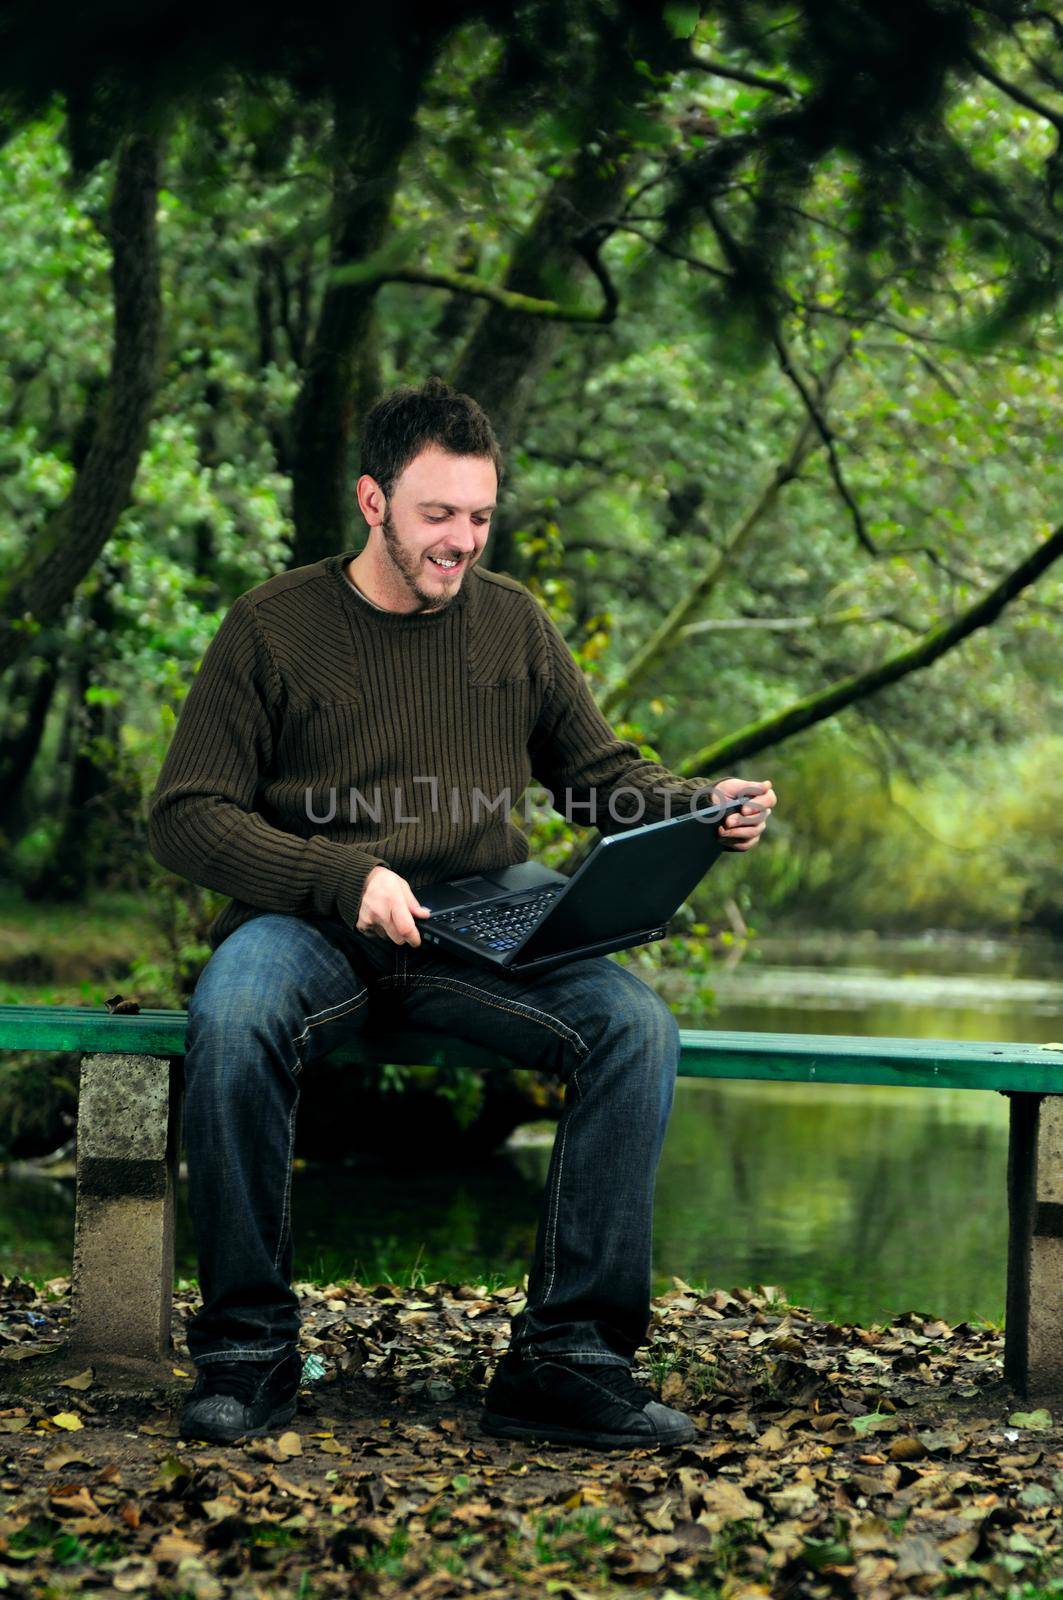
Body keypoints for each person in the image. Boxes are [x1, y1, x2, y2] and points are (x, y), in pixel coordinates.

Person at [148, 377, 777, 1450]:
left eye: (479, 517)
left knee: (635, 1028)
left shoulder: (512, 626)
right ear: (371, 502)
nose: (461, 541)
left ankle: (566, 1358)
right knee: (235, 1009)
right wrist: (338, 875)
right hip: (311, 922)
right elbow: (185, 816)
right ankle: (247, 1351)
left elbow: (597, 776)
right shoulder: (270, 627)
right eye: (438, 514)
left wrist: (694, 807)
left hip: (479, 926)